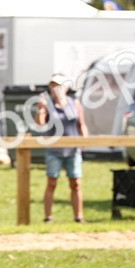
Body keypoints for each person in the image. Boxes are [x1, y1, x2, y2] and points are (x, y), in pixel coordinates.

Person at [35, 73, 89, 223]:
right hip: (54, 150)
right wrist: (41, 108)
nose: (55, 88)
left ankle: (79, 216)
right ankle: (48, 217)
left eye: (58, 85)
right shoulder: (47, 104)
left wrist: (85, 140)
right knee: (52, 182)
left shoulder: (75, 103)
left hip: (73, 150)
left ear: (66, 87)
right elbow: (39, 124)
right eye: (52, 85)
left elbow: (81, 124)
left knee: (76, 183)